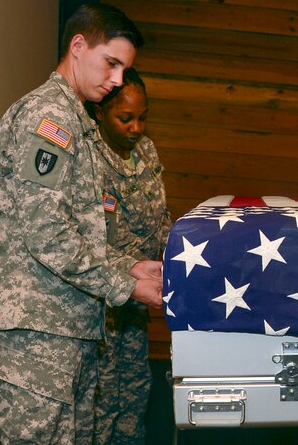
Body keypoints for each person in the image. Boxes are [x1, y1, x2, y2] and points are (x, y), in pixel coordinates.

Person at [0, 3, 164, 444]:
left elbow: (79, 233)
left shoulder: (77, 120)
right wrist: (126, 287)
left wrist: (129, 268)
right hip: (37, 337)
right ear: (78, 46)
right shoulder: (49, 120)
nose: (118, 79)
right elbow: (48, 234)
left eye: (125, 69)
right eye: (112, 63)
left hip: (69, 332)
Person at [87, 67, 172, 444]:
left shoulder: (145, 150)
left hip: (137, 308)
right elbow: (79, 239)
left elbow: (160, 218)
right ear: (100, 111)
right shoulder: (86, 156)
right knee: (100, 406)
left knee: (134, 398)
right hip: (99, 305)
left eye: (142, 118)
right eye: (126, 118)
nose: (136, 128)